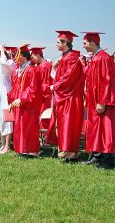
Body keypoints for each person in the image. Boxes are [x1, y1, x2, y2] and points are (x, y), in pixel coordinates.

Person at [47, 31, 85, 163]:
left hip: (71, 97)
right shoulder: (64, 57)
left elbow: (68, 77)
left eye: (58, 42)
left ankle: (71, 154)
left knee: (70, 125)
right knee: (63, 125)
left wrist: (56, 86)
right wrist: (54, 67)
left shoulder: (72, 57)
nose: (56, 44)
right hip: (64, 96)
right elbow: (59, 76)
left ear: (65, 43)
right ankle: (66, 152)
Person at [82, 32, 115, 169]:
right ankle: (97, 157)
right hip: (93, 101)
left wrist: (102, 101)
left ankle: (108, 161)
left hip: (103, 103)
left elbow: (108, 82)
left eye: (85, 43)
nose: (83, 46)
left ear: (92, 42)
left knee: (106, 131)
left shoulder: (104, 58)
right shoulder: (95, 57)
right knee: (96, 130)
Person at [8, 45, 42, 157]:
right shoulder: (20, 70)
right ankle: (21, 149)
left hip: (29, 105)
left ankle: (31, 151)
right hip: (19, 104)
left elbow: (33, 89)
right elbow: (15, 88)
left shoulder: (31, 69)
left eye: (18, 55)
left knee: (28, 127)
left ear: (23, 57)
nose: (16, 57)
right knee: (20, 127)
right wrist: (11, 100)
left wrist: (21, 98)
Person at [30, 47, 53, 129]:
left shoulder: (47, 66)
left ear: (38, 55)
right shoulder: (38, 67)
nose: (32, 60)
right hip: (39, 97)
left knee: (44, 117)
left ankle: (46, 138)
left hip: (45, 97)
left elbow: (48, 83)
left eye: (33, 57)